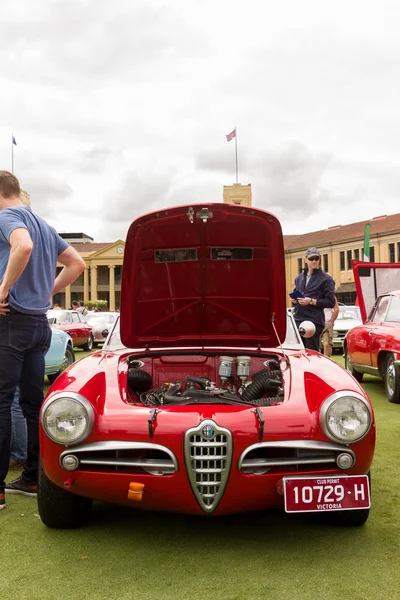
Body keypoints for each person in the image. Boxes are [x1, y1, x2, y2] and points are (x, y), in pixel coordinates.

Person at [0, 170, 85, 511]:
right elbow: (76, 263)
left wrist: (3, 289)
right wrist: (45, 291)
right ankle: (34, 477)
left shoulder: (7, 216)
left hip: (10, 321)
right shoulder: (44, 224)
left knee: (2, 402)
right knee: (33, 404)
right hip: (38, 325)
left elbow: (23, 246)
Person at [291, 247, 336, 351]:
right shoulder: (299, 278)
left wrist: (311, 301)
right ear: (305, 259)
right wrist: (294, 300)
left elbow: (330, 302)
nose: (315, 261)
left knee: (311, 353)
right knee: (297, 353)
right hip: (298, 319)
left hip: (313, 321)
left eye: (317, 258)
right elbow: (296, 295)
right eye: (312, 258)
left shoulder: (326, 279)